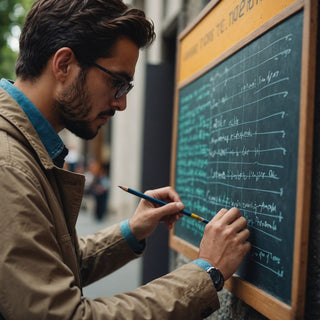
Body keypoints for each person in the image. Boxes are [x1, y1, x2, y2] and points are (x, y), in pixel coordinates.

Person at [0, 0, 251, 319]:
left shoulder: (25, 149)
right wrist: (205, 273)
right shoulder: (8, 164)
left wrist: (132, 230)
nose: (122, 104)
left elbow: (51, 266)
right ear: (64, 65)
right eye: (116, 82)